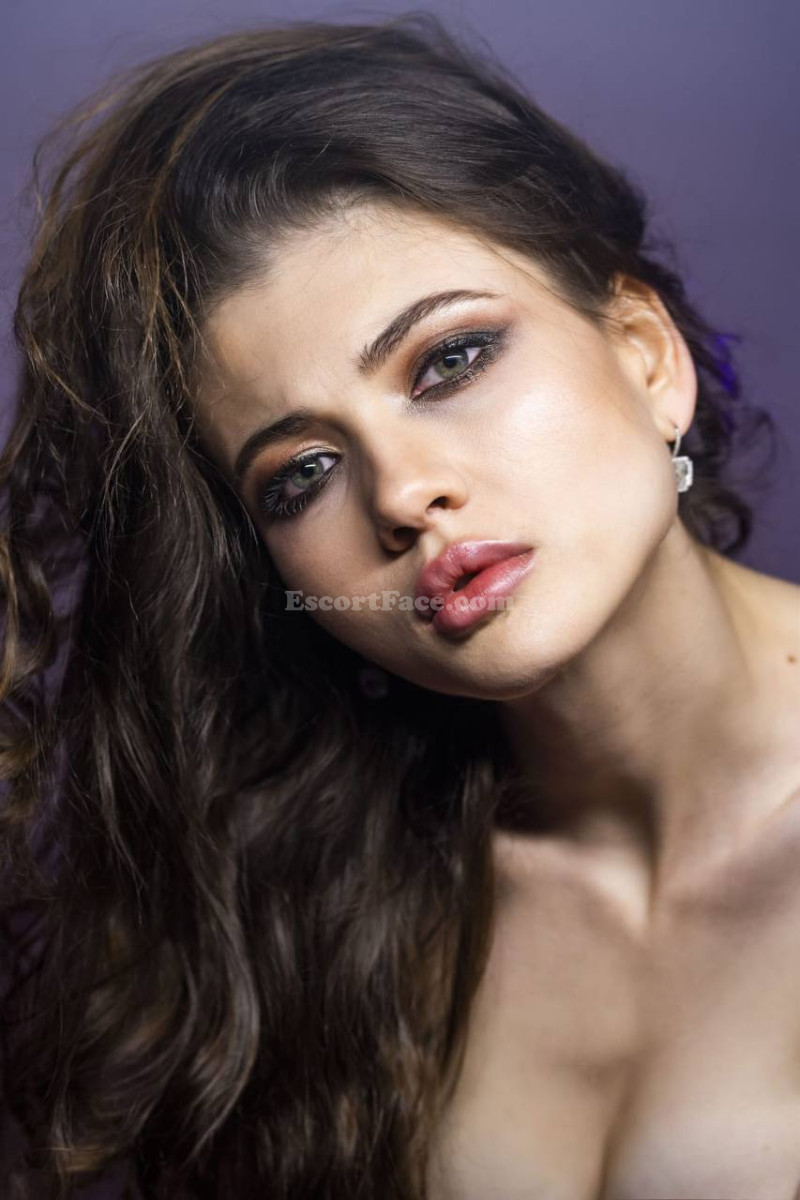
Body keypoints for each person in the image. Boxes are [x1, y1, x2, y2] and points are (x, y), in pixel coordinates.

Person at [0, 11, 797, 1200]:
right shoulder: (332, 918)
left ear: (644, 354)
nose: (402, 492)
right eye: (301, 474)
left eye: (448, 361)